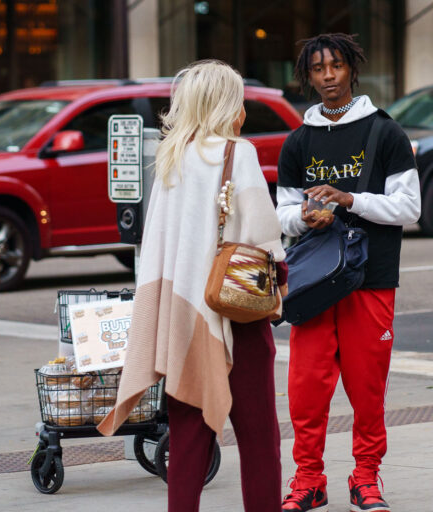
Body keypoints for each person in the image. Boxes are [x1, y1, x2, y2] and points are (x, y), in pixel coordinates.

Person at [97, 60, 288, 512]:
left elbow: (160, 244)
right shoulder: (236, 153)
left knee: (187, 440)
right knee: (259, 438)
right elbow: (264, 242)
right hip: (234, 314)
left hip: (182, 318)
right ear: (227, 104)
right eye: (238, 98)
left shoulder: (170, 155)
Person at [276, 33, 421, 512]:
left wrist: (348, 200)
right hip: (314, 282)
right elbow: (282, 213)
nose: (328, 77)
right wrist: (304, 216)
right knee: (306, 390)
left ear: (351, 68)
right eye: (318, 70)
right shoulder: (298, 141)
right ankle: (308, 481)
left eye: (336, 66)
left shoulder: (386, 132)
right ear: (308, 77)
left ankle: (366, 477)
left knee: (367, 387)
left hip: (372, 276)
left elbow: (410, 207)